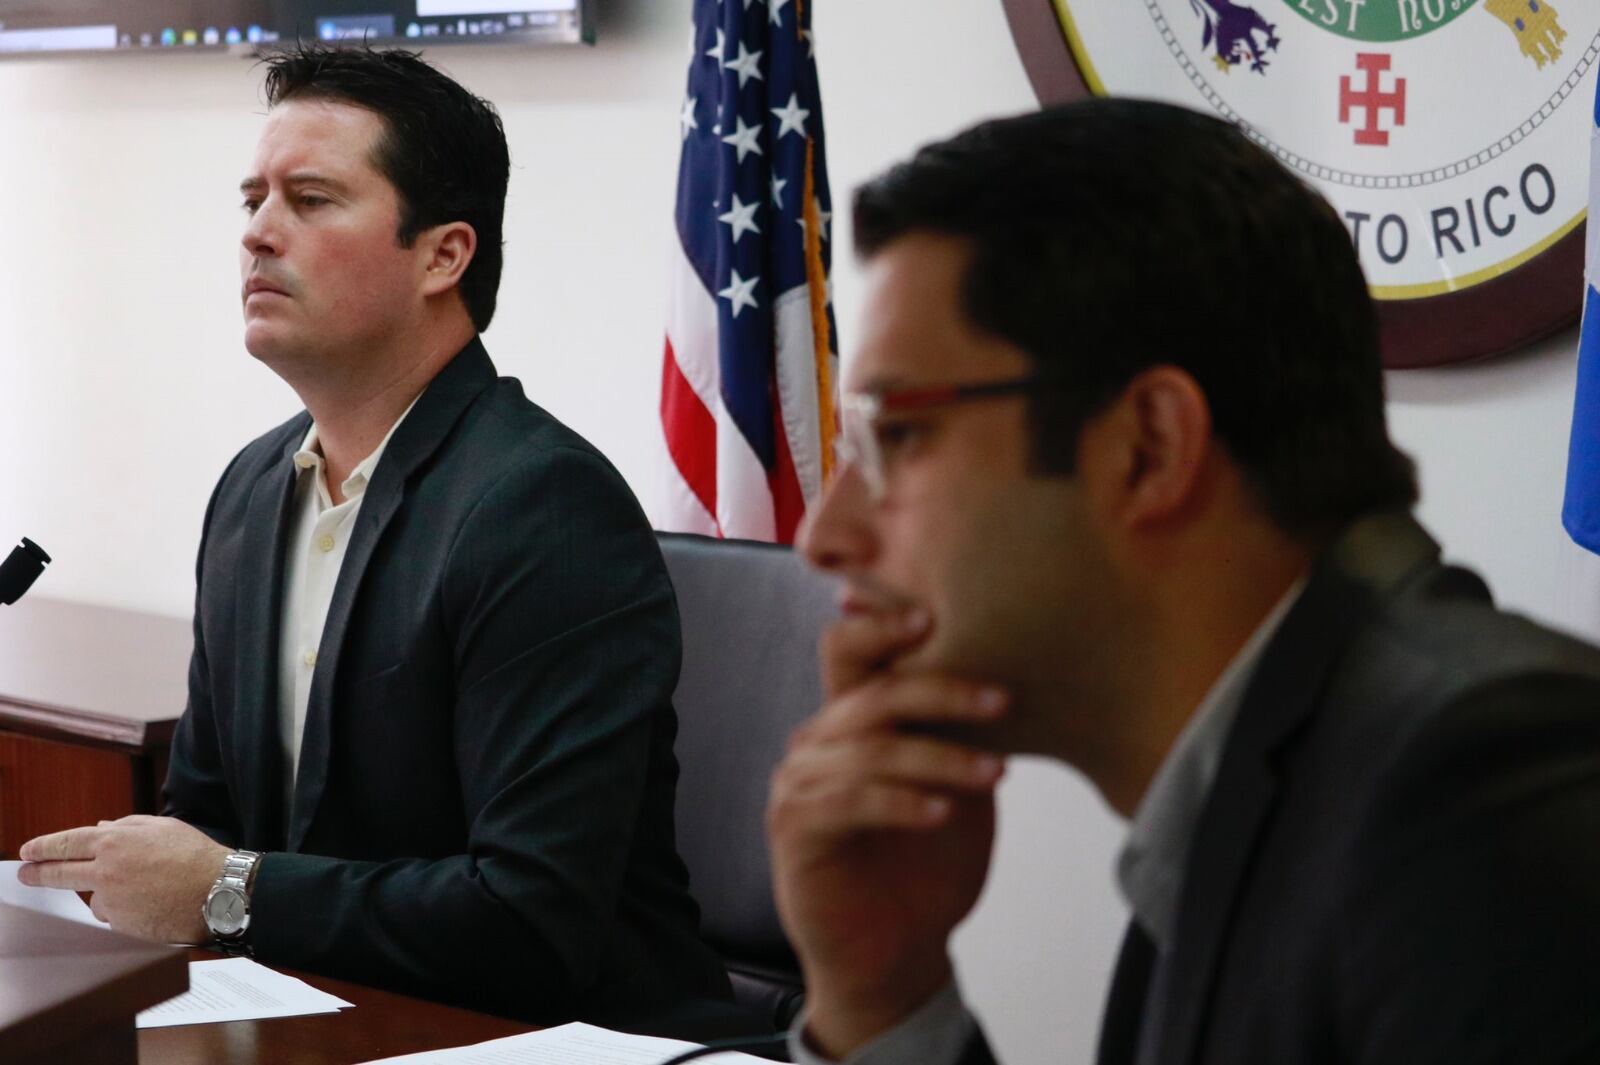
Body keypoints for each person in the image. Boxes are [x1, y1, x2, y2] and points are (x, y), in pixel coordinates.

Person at [767, 99, 1600, 1065]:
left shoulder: (1471, 802)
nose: (821, 538)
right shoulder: (1263, 790)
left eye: (898, 435)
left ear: (1149, 447)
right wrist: (883, 992)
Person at [19, 44, 731, 1031]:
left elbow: (531, 916)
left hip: (552, 1036)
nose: (257, 233)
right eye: (253, 200)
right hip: (318, 1009)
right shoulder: (253, 490)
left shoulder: (544, 506)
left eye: (310, 200)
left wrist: (229, 889)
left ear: (443, 255)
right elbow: (208, 823)